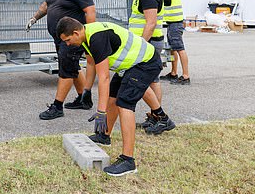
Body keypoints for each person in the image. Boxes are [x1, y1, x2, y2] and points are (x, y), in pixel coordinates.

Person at [57, 17, 173, 176]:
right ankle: (104, 136)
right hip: (130, 65)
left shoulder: (97, 38)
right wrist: (87, 90)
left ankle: (128, 160)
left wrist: (101, 112)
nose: (67, 44)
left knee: (125, 102)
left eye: (68, 40)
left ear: (76, 32)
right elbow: (92, 65)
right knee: (113, 95)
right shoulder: (86, 37)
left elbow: (104, 77)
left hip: (145, 63)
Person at [26, 0, 97, 120]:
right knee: (73, 67)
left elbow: (90, 12)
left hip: (73, 39)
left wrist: (91, 35)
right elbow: (46, 5)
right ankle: (84, 99)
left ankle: (57, 107)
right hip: (60, 38)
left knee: (65, 71)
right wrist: (34, 18)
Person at [125, 0, 175, 134]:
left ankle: (160, 118)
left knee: (142, 80)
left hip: (148, 43)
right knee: (153, 80)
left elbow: (151, 23)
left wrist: (140, 46)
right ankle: (156, 116)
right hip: (147, 43)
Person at [154, 0, 190, 85]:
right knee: (173, 48)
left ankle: (186, 75)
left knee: (179, 48)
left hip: (175, 24)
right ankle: (173, 73)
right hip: (174, 24)